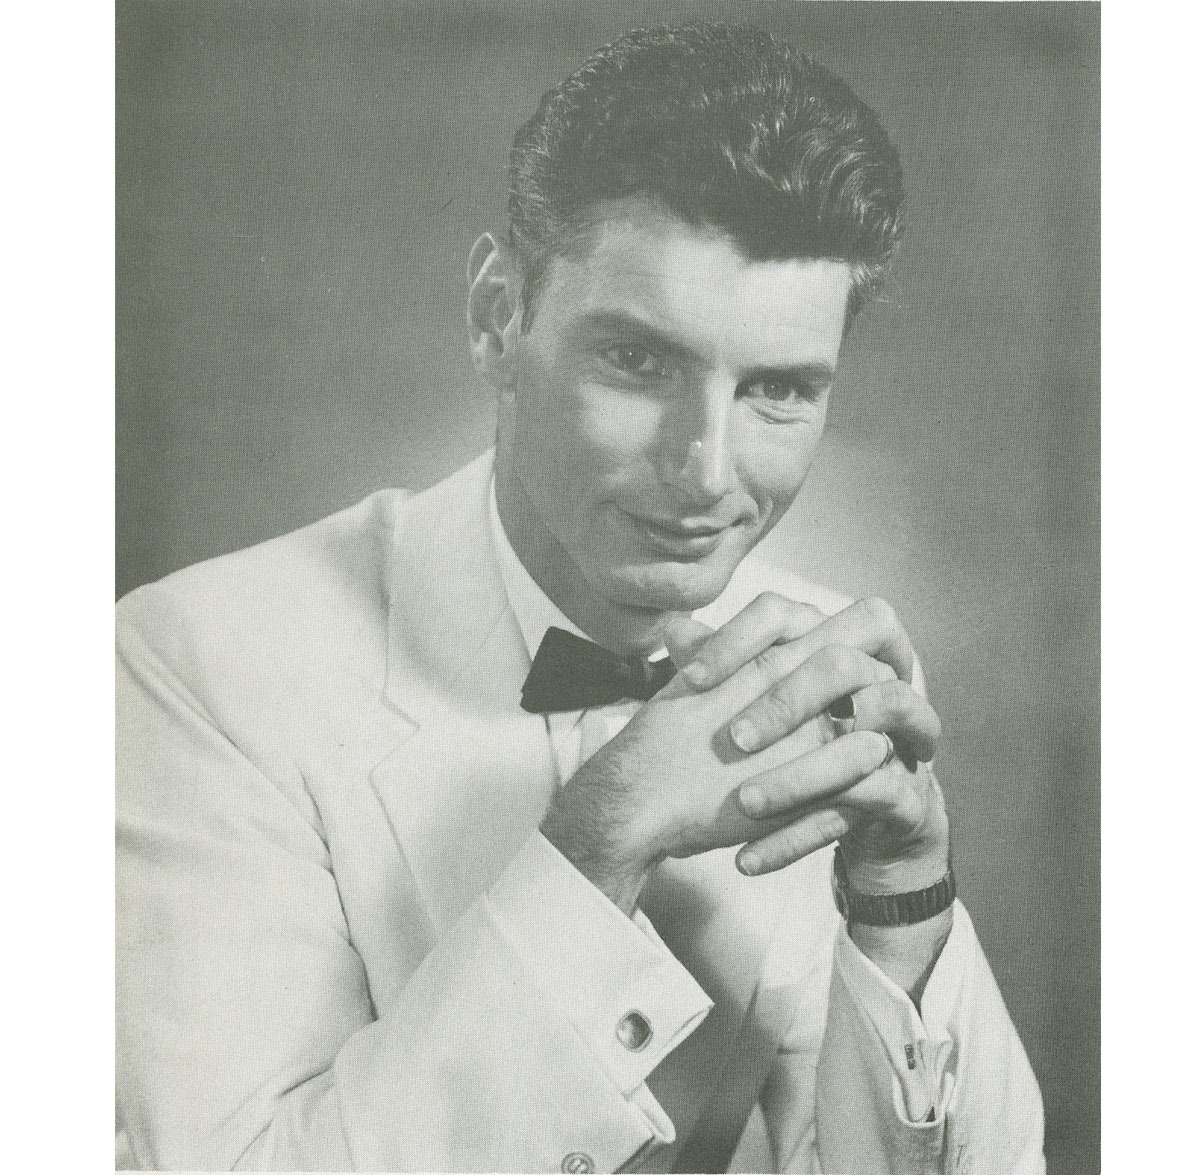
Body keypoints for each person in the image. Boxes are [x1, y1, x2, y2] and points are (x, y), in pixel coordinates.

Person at [116, 21, 1044, 1173]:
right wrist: (597, 842)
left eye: (778, 389)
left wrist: (903, 901)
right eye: (638, 362)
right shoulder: (194, 665)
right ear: (497, 316)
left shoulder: (812, 671)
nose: (706, 471)